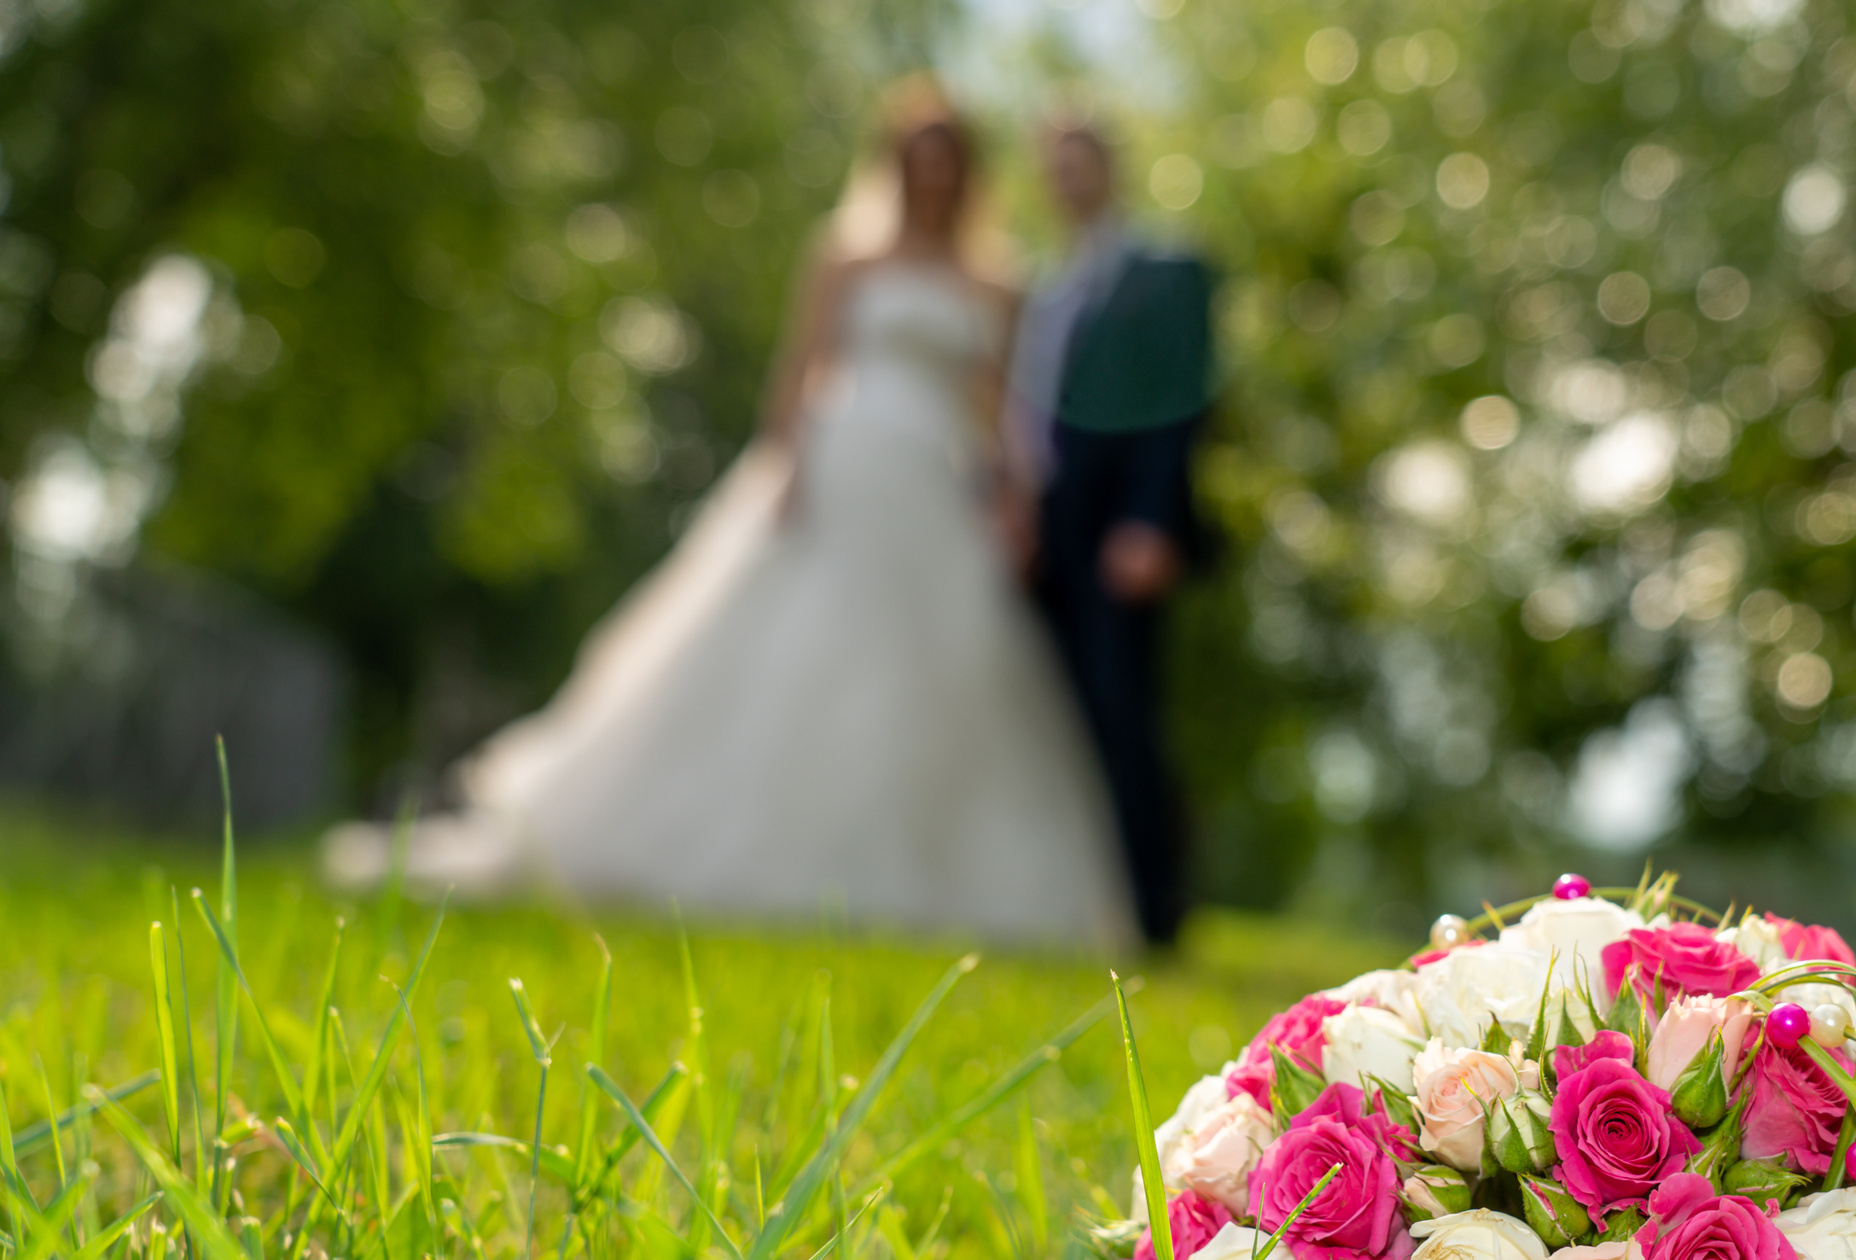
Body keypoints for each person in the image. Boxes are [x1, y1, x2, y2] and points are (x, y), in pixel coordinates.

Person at [322, 87, 1136, 946]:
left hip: (936, 488)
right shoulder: (848, 256)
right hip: (847, 459)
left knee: (945, 667)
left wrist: (1014, 499)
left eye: (947, 152)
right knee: (801, 648)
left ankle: (926, 878)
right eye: (918, 150)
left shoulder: (995, 280)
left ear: (967, 168)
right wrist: (785, 465)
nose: (931, 168)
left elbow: (997, 406)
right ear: (895, 160)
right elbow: (803, 368)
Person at [1012, 118, 1215, 948]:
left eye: (1080, 162)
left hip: (1120, 537)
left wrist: (1151, 519)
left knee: (1125, 709)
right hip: (1049, 533)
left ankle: (1156, 909)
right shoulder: (1043, 287)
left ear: (1110, 167)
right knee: (1061, 712)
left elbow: (1182, 404)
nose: (1068, 179)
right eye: (1054, 166)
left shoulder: (1166, 270)